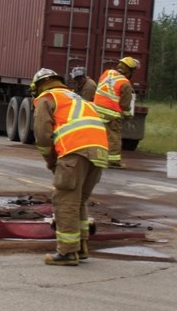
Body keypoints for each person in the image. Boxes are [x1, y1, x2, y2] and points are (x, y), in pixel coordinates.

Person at [31, 68, 108, 266]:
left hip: (75, 152)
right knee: (79, 200)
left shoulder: (46, 98)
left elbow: (42, 136)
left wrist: (51, 162)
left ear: (38, 86)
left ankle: (66, 252)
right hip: (98, 152)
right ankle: (81, 247)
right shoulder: (75, 97)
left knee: (65, 201)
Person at [93, 57, 138, 169]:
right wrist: (128, 116)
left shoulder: (107, 73)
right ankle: (113, 162)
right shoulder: (125, 83)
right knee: (114, 139)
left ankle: (94, 158)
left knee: (97, 136)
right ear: (129, 70)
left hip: (95, 111)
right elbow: (125, 105)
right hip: (111, 115)